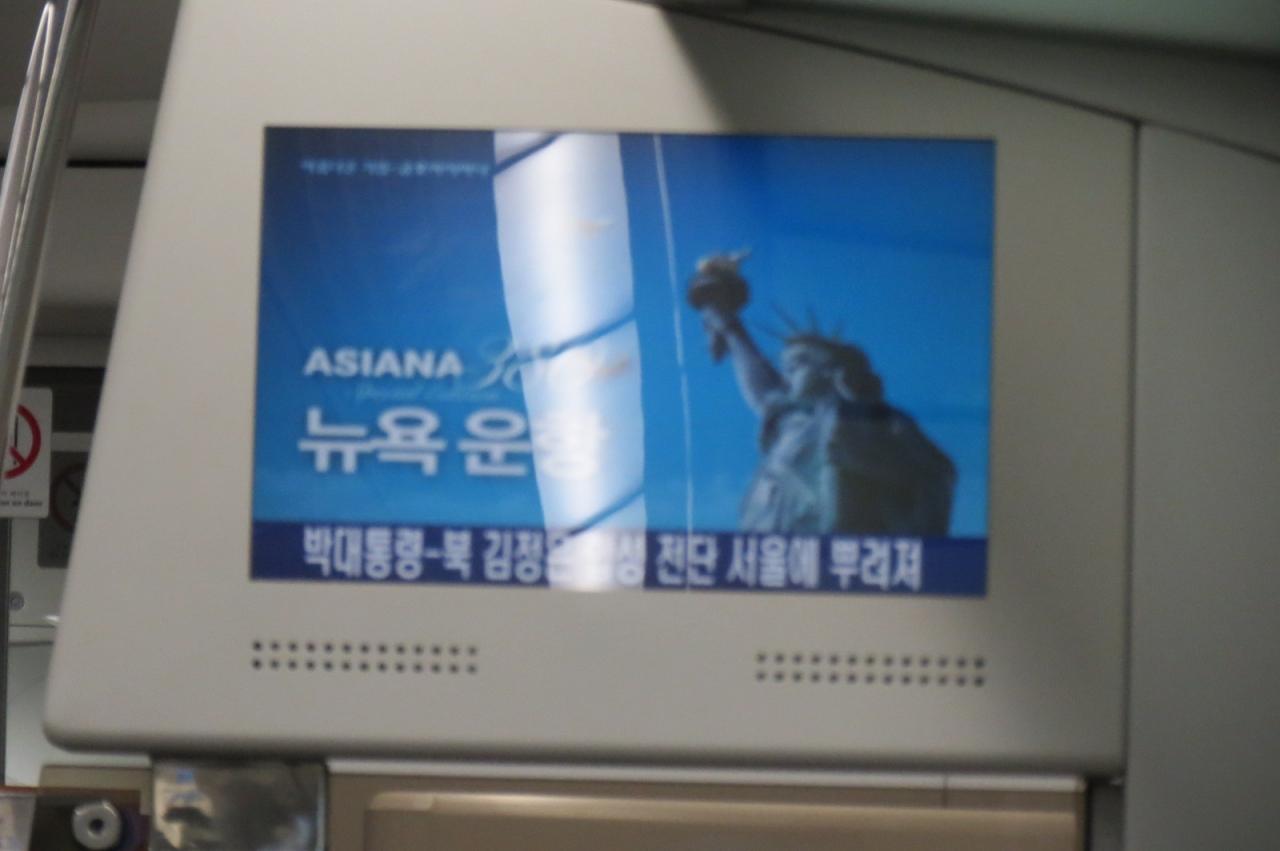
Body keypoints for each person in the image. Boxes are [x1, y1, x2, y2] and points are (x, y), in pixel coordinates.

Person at [688, 254, 955, 535]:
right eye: (786, 369)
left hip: (847, 547)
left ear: (833, 373)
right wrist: (725, 320)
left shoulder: (881, 421)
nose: (787, 377)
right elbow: (758, 378)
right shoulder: (790, 420)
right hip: (769, 547)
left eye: (798, 365)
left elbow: (937, 473)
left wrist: (863, 460)